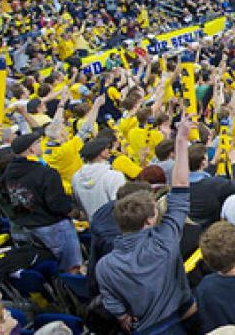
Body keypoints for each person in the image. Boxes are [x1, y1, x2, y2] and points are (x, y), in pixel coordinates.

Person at [96, 114, 195, 334]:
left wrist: (122, 316)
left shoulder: (105, 265)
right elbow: (180, 186)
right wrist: (181, 140)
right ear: (150, 219)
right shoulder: (164, 242)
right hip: (178, 322)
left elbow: (111, 300)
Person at [1, 130, 83, 273]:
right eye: (38, 143)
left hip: (25, 228)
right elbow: (58, 205)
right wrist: (77, 214)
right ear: (31, 149)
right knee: (70, 268)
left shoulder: (7, 173)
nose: (41, 146)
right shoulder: (45, 173)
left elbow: (6, 198)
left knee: (42, 269)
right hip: (52, 228)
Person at [72, 133, 127, 220]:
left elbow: (78, 204)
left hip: (92, 224)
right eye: (108, 148)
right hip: (113, 224)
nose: (110, 150)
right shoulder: (114, 176)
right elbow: (122, 206)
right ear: (102, 152)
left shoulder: (76, 177)